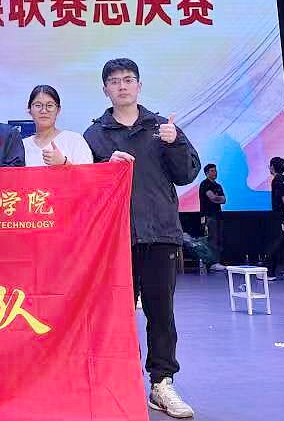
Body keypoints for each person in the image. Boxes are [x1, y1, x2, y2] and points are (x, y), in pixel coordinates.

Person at [83, 58, 200, 419]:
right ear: (105, 89)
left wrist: (175, 142)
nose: (122, 86)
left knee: (161, 312)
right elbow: (85, 188)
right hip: (114, 239)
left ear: (139, 85)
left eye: (128, 79)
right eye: (115, 81)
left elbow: (187, 174)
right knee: (114, 315)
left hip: (160, 234)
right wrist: (104, 168)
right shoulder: (94, 135)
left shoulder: (161, 128)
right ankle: (118, 381)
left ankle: (162, 383)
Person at [21, 85, 93, 167]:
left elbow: (88, 173)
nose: (44, 111)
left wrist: (64, 163)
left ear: (58, 110)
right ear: (30, 109)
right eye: (38, 105)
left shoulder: (74, 140)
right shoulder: (22, 146)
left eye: (49, 105)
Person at [198, 163, 227, 271]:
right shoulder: (205, 184)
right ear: (206, 173)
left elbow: (224, 200)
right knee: (211, 238)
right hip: (209, 215)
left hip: (218, 215)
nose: (215, 173)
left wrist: (217, 198)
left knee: (219, 238)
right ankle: (211, 263)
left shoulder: (218, 186)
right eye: (212, 171)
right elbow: (212, 197)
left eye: (215, 170)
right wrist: (217, 198)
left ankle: (217, 261)